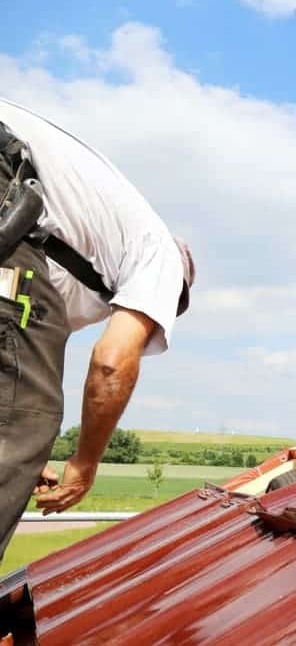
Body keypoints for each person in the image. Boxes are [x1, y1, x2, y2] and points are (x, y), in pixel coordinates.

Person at [0, 98, 194, 562]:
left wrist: (22, 458)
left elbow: (11, 378)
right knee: (33, 412)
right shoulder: (161, 254)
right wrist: (83, 465)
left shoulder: (73, 256)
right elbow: (111, 363)